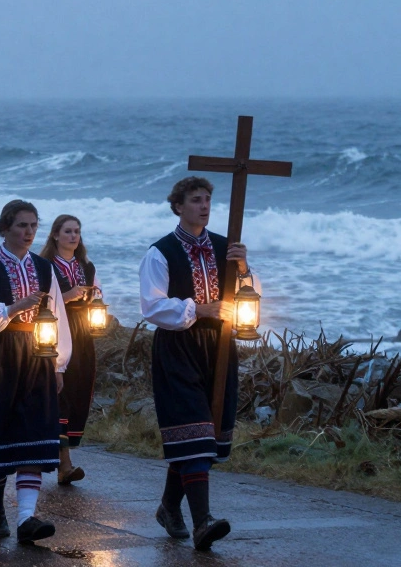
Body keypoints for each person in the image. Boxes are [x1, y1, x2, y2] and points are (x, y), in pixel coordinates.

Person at [139, 177, 254, 551]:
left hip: (219, 347)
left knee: (206, 435)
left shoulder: (226, 248)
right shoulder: (161, 252)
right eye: (195, 200)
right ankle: (202, 520)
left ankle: (169, 506)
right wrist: (201, 309)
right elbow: (153, 307)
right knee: (192, 430)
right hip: (178, 346)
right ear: (178, 206)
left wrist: (243, 268)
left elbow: (251, 295)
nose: (203, 206)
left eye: (207, 200)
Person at [0, 200, 71, 543]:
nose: (28, 232)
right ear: (5, 227)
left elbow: (59, 316)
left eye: (33, 226)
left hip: (38, 354)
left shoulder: (44, 267)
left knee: (36, 435)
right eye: (22, 225)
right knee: (3, 435)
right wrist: (13, 308)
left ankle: (27, 517)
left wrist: (59, 363)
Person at [39, 214, 101, 485]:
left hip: (82, 332)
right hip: (57, 329)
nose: (73, 236)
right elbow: (40, 303)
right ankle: (64, 464)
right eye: (67, 231)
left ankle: (63, 457)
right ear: (55, 235)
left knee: (78, 389)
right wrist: (67, 297)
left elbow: (98, 295)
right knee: (59, 390)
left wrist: (96, 303)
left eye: (77, 231)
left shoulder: (86, 266)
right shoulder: (45, 266)